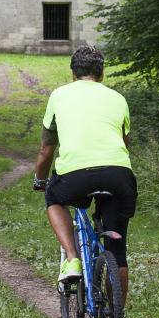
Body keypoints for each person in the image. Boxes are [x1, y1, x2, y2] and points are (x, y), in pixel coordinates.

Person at [32, 44, 135, 298]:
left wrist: (40, 179)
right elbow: (125, 144)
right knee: (118, 251)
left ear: (72, 74)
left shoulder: (58, 95)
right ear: (102, 74)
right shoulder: (118, 98)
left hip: (75, 175)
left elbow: (47, 148)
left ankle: (72, 258)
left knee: (54, 199)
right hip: (119, 175)